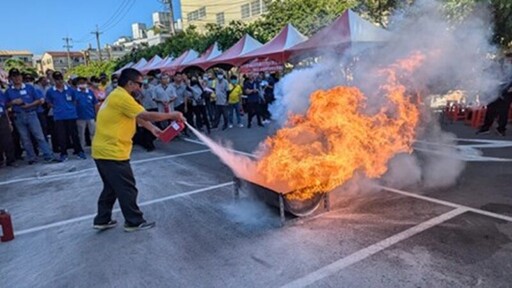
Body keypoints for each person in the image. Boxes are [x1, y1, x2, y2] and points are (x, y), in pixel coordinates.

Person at [92, 68, 186, 232]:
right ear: (130, 83)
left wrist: (153, 130)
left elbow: (137, 117)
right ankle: (134, 221)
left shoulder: (117, 95)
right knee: (127, 187)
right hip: (113, 151)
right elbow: (147, 114)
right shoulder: (122, 97)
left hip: (102, 151)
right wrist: (173, 115)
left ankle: (102, 219)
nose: (141, 89)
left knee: (111, 187)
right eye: (139, 84)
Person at [4, 68, 57, 164]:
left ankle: (48, 155)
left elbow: (39, 100)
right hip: (18, 116)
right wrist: (12, 102)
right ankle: (32, 157)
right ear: (11, 78)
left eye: (18, 76)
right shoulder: (9, 91)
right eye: (14, 76)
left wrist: (29, 105)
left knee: (39, 136)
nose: (17, 78)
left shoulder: (29, 87)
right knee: (25, 138)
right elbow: (5, 105)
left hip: (31, 113)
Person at [46, 71, 86, 161]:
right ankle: (63, 153)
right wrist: (56, 107)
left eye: (60, 79)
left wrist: (70, 108)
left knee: (74, 134)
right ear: (53, 80)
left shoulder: (70, 89)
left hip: (71, 115)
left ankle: (79, 151)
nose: (59, 81)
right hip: (59, 116)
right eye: (57, 80)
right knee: (61, 135)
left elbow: (75, 100)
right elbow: (48, 102)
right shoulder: (50, 91)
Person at [75, 77, 99, 149]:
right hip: (80, 117)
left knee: (93, 133)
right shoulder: (75, 93)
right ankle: (81, 149)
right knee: (81, 134)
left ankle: (95, 147)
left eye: (84, 83)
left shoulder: (90, 92)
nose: (82, 84)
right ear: (78, 84)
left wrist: (96, 114)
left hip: (91, 116)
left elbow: (95, 104)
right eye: (81, 83)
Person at [0, 89, 16, 167]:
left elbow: (5, 108)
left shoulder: (1, 93)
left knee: (7, 140)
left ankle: (11, 160)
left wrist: (9, 121)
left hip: (2, 117)